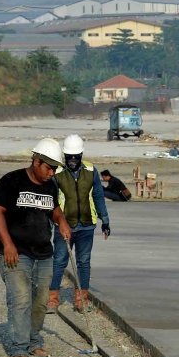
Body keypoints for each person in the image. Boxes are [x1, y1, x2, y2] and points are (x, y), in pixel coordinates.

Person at [0, 138, 72, 357]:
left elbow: (53, 208)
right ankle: (19, 347)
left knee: (41, 300)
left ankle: (34, 341)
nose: (52, 173)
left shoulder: (51, 184)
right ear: (36, 161)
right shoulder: (11, 181)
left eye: (55, 168)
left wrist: (61, 221)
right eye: (49, 167)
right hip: (15, 252)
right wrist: (7, 244)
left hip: (44, 253)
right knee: (21, 298)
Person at [48, 134, 111, 313]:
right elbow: (51, 200)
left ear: (81, 155)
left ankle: (81, 299)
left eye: (76, 157)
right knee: (59, 261)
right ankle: (53, 299)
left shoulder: (91, 171)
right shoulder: (57, 173)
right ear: (65, 156)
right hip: (64, 225)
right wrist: (50, 223)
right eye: (70, 157)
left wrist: (105, 220)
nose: (73, 160)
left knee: (84, 262)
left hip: (86, 225)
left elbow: (98, 196)